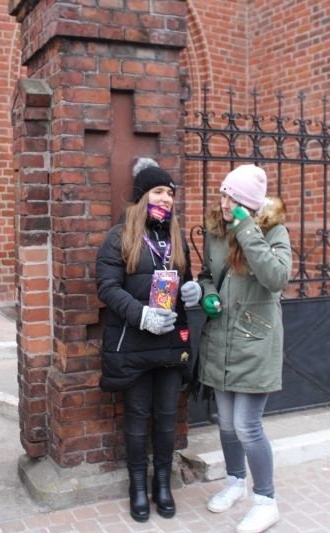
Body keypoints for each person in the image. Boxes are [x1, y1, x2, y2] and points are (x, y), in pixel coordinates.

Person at [180, 164, 292, 533]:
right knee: (226, 423)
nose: (225, 203)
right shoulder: (216, 231)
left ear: (250, 204)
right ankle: (234, 483)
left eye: (233, 198)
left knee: (247, 425)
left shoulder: (273, 231)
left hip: (254, 341)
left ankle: (266, 500)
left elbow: (275, 277)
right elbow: (208, 275)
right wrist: (208, 295)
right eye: (224, 195)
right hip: (221, 337)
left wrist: (246, 229)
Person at [96, 158, 194, 523]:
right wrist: (142, 315)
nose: (166, 199)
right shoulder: (117, 237)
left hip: (170, 343)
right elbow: (107, 288)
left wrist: (193, 291)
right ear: (142, 197)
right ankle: (137, 485)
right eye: (158, 192)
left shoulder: (174, 238)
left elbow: (185, 280)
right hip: (134, 344)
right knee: (137, 418)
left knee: (167, 419)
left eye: (170, 194)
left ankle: (162, 484)